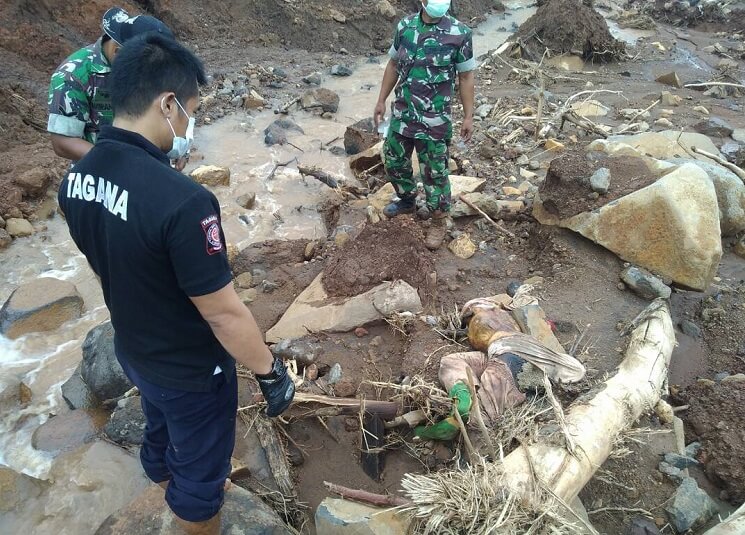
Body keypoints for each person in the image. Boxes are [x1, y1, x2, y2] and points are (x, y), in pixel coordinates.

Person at [58, 33, 295, 535]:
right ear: (167, 104)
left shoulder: (77, 178)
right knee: (202, 477)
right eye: (190, 109)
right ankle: (192, 509)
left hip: (135, 349)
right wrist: (269, 372)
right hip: (190, 369)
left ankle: (163, 478)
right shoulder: (184, 201)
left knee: (162, 430)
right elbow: (224, 312)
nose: (191, 122)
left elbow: (109, 258)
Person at [373, 0, 475, 250]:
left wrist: (469, 115)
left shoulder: (460, 34)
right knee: (393, 159)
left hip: (434, 119)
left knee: (435, 172)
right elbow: (394, 64)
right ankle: (407, 199)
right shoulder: (406, 27)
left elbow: (466, 76)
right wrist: (381, 100)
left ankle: (439, 219)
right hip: (403, 113)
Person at [47, 7, 173, 163]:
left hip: (145, 164)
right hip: (98, 172)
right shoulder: (73, 76)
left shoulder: (149, 64)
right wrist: (120, 161)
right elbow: (62, 143)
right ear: (118, 53)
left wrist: (177, 145)